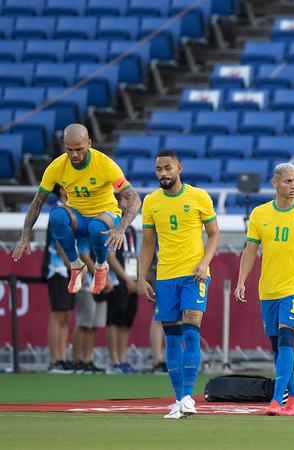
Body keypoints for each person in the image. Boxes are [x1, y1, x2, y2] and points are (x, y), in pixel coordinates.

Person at [234, 162, 294, 417]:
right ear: (275, 183)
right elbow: (250, 250)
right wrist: (242, 280)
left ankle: (277, 400)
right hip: (269, 290)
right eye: (288, 181)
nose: (293, 185)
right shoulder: (260, 214)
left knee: (287, 340)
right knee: (276, 347)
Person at [12, 124, 141, 296]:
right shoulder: (56, 167)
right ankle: (75, 265)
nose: (74, 155)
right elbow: (37, 203)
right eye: (69, 149)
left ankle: (101, 266)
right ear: (64, 144)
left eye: (79, 149)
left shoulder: (105, 164)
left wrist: (121, 229)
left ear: (89, 143)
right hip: (78, 216)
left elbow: (135, 199)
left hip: (106, 215)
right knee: (56, 216)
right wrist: (24, 237)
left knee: (96, 227)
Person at [138, 150, 220, 418]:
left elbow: (214, 234)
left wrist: (204, 263)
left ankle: (188, 396)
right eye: (159, 169)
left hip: (194, 275)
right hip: (165, 277)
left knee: (192, 324)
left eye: (168, 168)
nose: (163, 173)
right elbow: (148, 243)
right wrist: (142, 277)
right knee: (171, 336)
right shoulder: (150, 202)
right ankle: (179, 399)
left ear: (179, 168)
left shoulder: (199, 197)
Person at [104, 203, 139, 374]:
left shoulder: (131, 230)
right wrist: (126, 279)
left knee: (126, 321)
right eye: (125, 200)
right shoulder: (112, 226)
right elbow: (111, 257)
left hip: (132, 281)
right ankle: (113, 361)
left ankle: (123, 359)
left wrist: (137, 279)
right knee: (114, 321)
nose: (129, 204)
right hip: (118, 281)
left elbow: (135, 255)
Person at [44, 186, 75, 373]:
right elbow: (60, 241)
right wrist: (72, 264)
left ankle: (63, 357)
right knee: (57, 314)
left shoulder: (73, 209)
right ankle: (55, 359)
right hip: (57, 269)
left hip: (70, 269)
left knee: (66, 316)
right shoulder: (59, 210)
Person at [71, 239, 107, 374]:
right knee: (84, 323)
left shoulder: (105, 229)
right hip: (87, 282)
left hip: (101, 280)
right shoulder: (86, 230)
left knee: (94, 324)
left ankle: (87, 360)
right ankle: (75, 361)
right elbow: (84, 255)